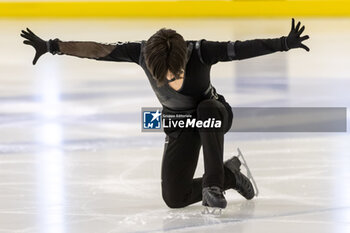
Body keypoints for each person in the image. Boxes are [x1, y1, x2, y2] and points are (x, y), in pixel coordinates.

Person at [20, 18, 309, 213]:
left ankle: (213, 184)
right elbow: (98, 50)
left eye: (177, 75)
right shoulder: (142, 53)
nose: (171, 81)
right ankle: (229, 176)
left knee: (206, 109)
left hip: (215, 114)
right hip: (178, 124)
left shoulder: (201, 52)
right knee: (174, 198)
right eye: (164, 78)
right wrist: (52, 46)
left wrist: (284, 43)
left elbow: (242, 49)